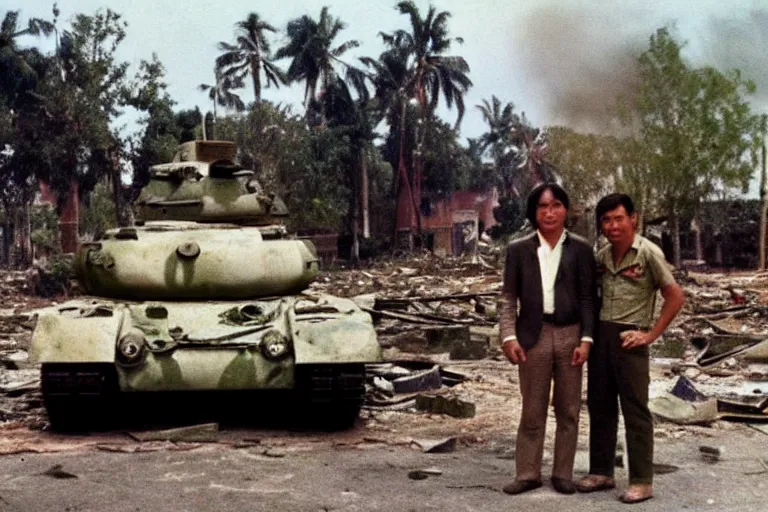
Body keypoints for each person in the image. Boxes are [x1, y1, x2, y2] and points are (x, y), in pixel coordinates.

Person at [576, 193, 685, 504]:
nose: (613, 226)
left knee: (635, 410)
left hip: (630, 339)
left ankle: (641, 480)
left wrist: (650, 335)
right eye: (607, 220)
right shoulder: (603, 255)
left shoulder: (648, 253)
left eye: (619, 218)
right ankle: (601, 470)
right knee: (600, 405)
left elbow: (675, 296)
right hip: (601, 337)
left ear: (633, 219)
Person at [499, 183, 596, 496]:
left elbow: (587, 298)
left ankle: (563, 473)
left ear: (565, 210)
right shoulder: (518, 249)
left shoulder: (581, 249)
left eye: (556, 205)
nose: (549, 212)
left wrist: (586, 340)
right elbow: (508, 297)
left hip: (570, 335)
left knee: (568, 410)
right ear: (534, 212)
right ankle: (528, 473)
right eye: (542, 207)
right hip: (532, 336)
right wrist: (508, 336)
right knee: (533, 408)